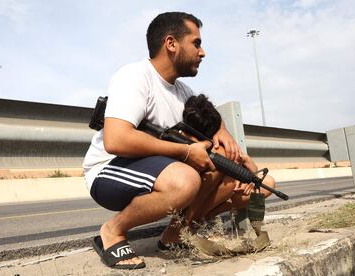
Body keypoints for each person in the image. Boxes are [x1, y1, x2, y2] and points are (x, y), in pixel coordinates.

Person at [82, 12, 241, 270]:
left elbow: (211, 116)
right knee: (185, 181)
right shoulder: (135, 76)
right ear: (171, 43)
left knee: (222, 172)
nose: (203, 53)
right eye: (197, 43)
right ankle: (112, 231)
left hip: (151, 168)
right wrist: (187, 152)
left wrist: (222, 131)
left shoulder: (182, 91)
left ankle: (174, 236)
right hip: (108, 171)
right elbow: (116, 139)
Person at [180, 94, 275, 225]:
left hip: (213, 195)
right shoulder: (183, 142)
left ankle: (206, 216)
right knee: (230, 182)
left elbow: (250, 170)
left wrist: (249, 175)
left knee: (268, 184)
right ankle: (190, 220)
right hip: (188, 194)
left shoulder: (220, 142)